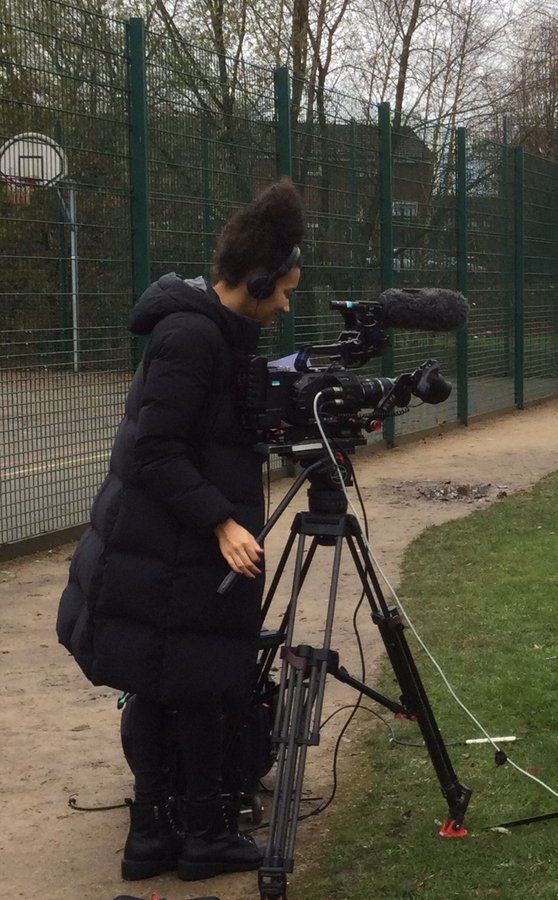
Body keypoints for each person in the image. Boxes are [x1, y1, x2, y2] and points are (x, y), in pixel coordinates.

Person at [56, 180, 304, 880]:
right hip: (168, 548)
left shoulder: (210, 334)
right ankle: (197, 835)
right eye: (282, 290)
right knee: (193, 684)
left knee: (168, 684)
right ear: (255, 280)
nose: (285, 305)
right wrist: (221, 520)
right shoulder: (192, 337)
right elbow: (154, 450)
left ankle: (158, 837)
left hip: (164, 545)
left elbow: (201, 434)